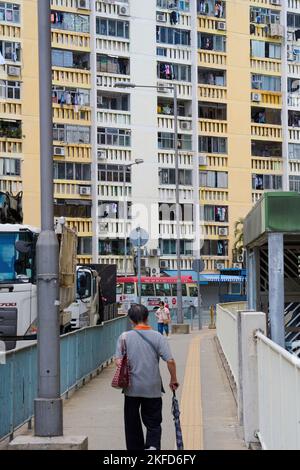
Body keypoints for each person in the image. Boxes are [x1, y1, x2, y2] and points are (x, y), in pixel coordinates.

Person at [115, 304, 179, 451]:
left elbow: (119, 362)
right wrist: (173, 379)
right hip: (153, 387)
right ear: (147, 317)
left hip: (131, 388)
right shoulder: (158, 336)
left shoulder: (124, 337)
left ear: (131, 319)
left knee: (132, 423)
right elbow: (170, 360)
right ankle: (152, 447)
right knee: (154, 422)